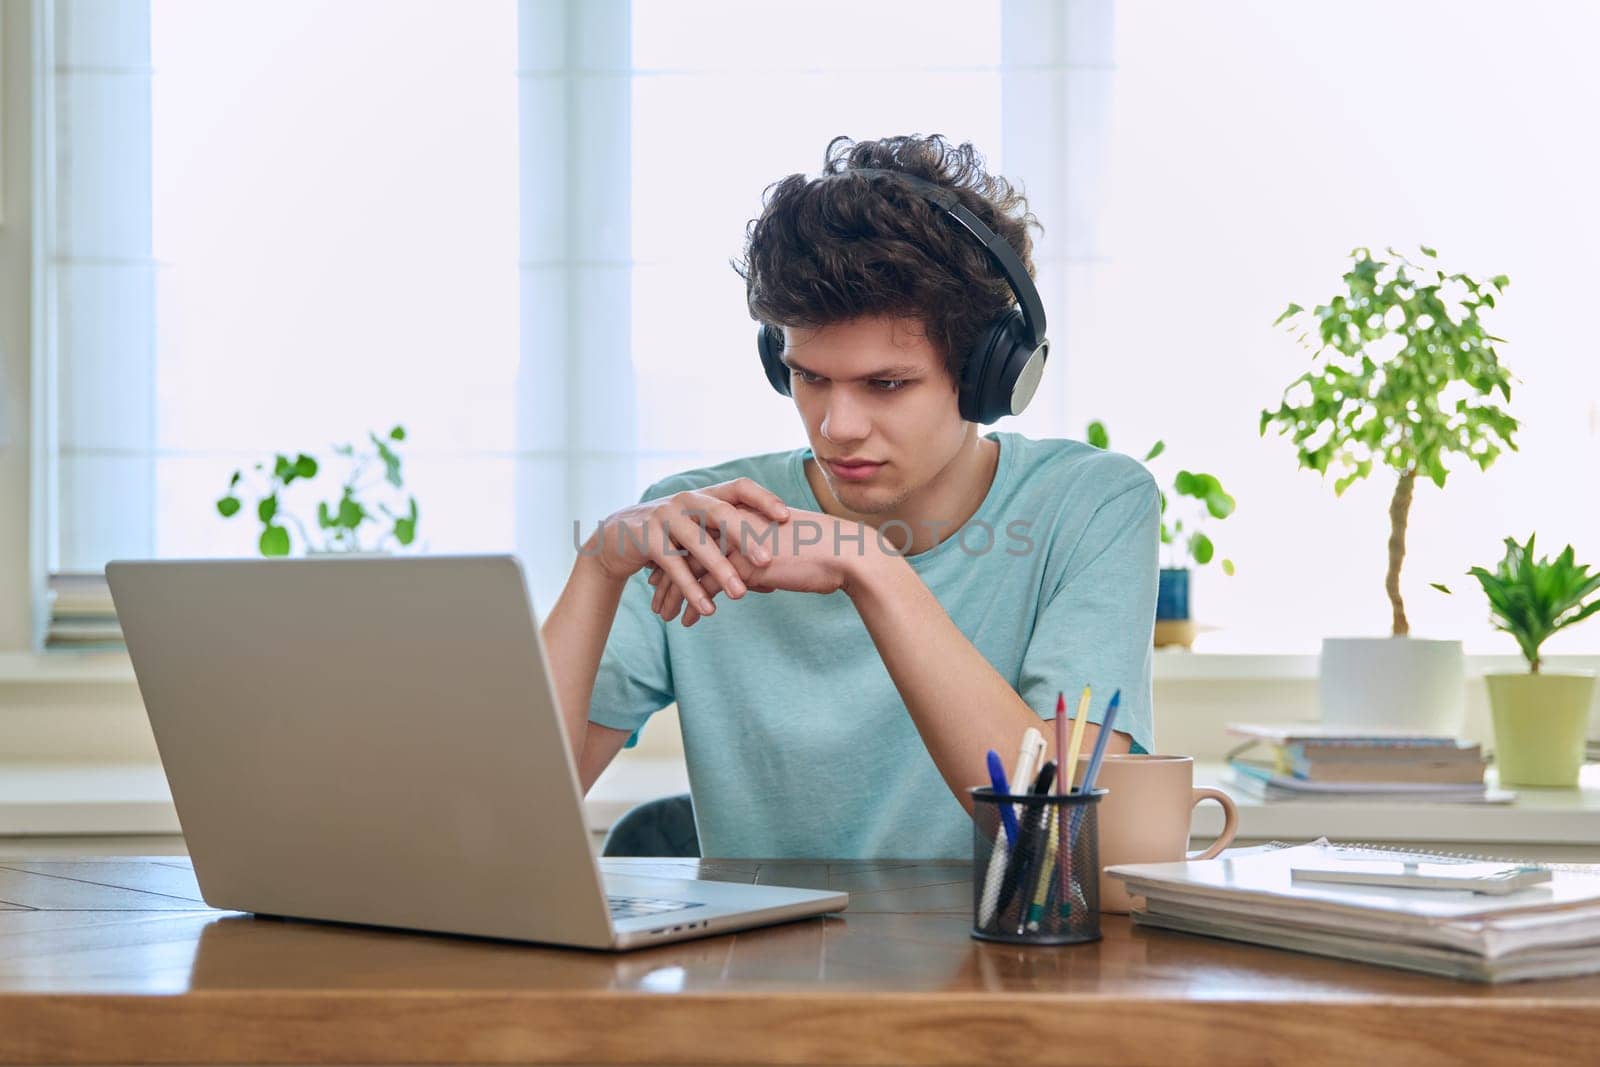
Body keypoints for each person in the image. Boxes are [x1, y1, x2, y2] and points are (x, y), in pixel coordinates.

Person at [540, 134, 1158, 859]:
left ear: (992, 374)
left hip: (1004, 968)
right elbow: (504, 820)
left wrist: (871, 566)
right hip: (761, 971)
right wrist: (597, 567)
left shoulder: (1090, 506)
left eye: (886, 384)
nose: (837, 427)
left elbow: (1056, 831)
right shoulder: (700, 523)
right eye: (808, 377)